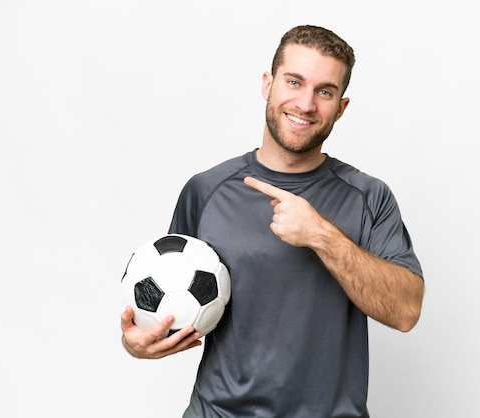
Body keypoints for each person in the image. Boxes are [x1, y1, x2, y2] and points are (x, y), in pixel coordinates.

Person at [120, 24, 425, 417]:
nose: (306, 103)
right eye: (294, 82)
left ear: (341, 107)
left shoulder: (368, 197)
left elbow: (405, 313)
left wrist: (321, 235)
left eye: (325, 91)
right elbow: (169, 301)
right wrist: (138, 343)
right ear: (268, 84)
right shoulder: (206, 191)